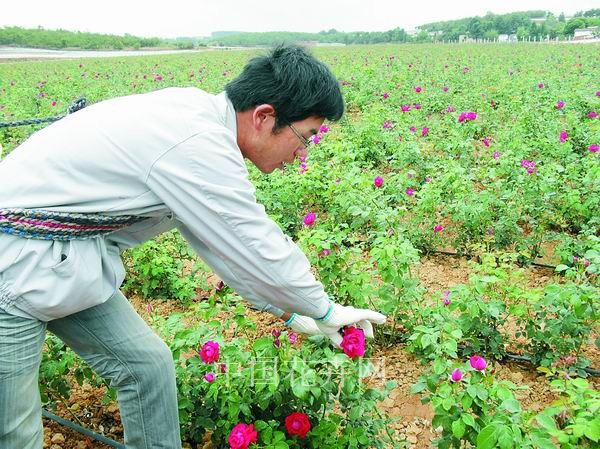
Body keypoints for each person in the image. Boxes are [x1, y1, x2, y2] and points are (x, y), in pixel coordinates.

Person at [0, 45, 386, 449]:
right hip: (13, 258)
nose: (303, 153)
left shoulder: (197, 123)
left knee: (146, 368)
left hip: (66, 255)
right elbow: (253, 241)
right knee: (15, 432)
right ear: (264, 116)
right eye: (304, 137)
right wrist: (325, 309)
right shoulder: (196, 141)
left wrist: (292, 314)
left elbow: (220, 244)